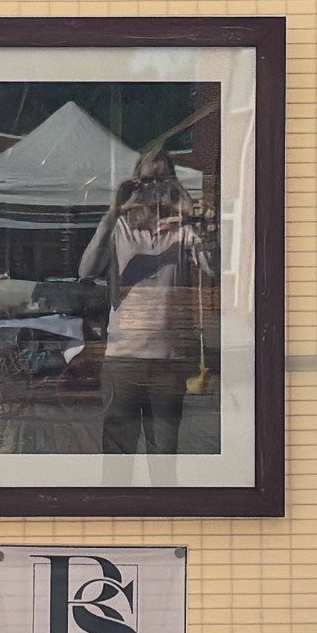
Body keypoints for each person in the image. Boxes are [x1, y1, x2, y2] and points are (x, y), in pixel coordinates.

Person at [79, 142, 210, 455]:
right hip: (124, 358)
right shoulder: (121, 228)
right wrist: (113, 211)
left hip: (168, 360)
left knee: (164, 455)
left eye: (162, 180)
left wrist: (191, 217)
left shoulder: (182, 231)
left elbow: (213, 269)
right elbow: (87, 270)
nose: (154, 188)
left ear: (172, 184)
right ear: (135, 183)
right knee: (118, 455)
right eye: (147, 181)